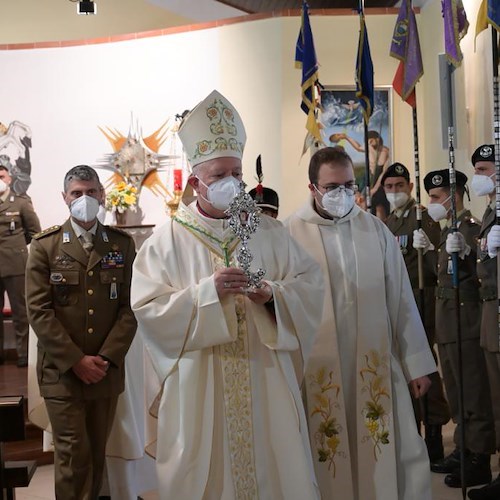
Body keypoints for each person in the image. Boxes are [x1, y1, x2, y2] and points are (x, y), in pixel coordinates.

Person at [130, 89, 324, 500]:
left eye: (236, 173)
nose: (231, 183)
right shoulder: (165, 242)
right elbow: (148, 310)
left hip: (263, 373)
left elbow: (310, 284)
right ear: (196, 182)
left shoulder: (269, 232)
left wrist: (272, 295)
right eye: (219, 176)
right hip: (198, 383)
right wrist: (206, 293)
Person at [285, 146, 436, 500]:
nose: (341, 195)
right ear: (312, 188)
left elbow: (400, 299)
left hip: (373, 363)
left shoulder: (374, 231)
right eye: (332, 187)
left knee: (382, 449)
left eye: (348, 186)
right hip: (317, 368)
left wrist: (416, 364)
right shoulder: (289, 234)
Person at [26, 165, 137, 499]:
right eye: (77, 193)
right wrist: (76, 361)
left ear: (102, 195)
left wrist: (104, 358)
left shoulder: (121, 245)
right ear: (65, 198)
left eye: (91, 192)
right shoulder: (46, 246)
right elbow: (39, 311)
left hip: (104, 371)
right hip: (62, 373)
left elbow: (131, 308)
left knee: (97, 457)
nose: (85, 199)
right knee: (74, 457)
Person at [415, 169, 495, 489]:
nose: (431, 203)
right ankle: (463, 446)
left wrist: (468, 250)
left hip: (467, 319)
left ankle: (479, 457)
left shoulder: (469, 228)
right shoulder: (447, 228)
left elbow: (481, 267)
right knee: (457, 390)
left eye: (435, 198)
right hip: (446, 319)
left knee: (473, 391)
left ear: (453, 195)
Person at [381, 162, 450, 461]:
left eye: (399, 186)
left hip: (425, 296)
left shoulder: (422, 217)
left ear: (410, 187)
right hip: (400, 300)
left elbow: (440, 257)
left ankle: (434, 427)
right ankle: (416, 427)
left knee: (424, 364)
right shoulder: (387, 224)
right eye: (389, 187)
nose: (395, 192)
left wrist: (430, 243)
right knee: (405, 364)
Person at [467, 144, 500, 500]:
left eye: (485, 169)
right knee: (496, 398)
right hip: (490, 311)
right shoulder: (492, 212)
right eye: (476, 170)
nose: (480, 177)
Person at [0, 164, 40, 367]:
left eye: (1, 175)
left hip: (15, 264)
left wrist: (16, 248)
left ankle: (23, 354)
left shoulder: (21, 202)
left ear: (8, 178)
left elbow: (34, 231)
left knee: (20, 311)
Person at [248, 154, 279, 218]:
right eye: (256, 212)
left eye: (265, 213)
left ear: (274, 215)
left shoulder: (282, 228)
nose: (260, 216)